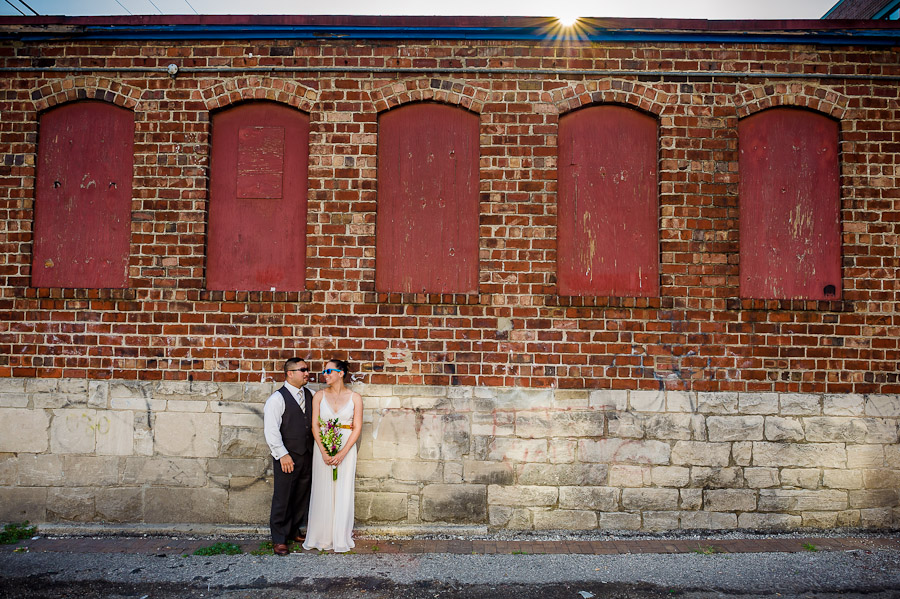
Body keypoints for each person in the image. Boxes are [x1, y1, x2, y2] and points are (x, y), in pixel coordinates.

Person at [303, 358, 363, 553]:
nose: (325, 375)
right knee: (323, 488)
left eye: (329, 371)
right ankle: (321, 537)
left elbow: (357, 427)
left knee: (342, 489)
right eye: (324, 372)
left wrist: (343, 452)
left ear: (341, 373)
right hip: (323, 446)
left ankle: (340, 536)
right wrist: (323, 450)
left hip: (346, 448)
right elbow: (314, 425)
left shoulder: (355, 398)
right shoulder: (319, 396)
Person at [263, 357, 314, 556]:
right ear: (290, 373)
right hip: (287, 456)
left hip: (306, 454)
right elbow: (271, 430)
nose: (307, 373)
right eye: (303, 370)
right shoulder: (277, 399)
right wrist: (282, 455)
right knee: (283, 497)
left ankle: (293, 530)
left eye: (307, 369)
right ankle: (279, 538)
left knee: (301, 495)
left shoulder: (310, 394)